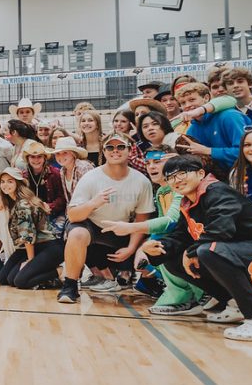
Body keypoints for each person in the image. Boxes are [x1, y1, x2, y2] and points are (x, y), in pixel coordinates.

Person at [143, 156, 252, 341]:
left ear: (201, 173)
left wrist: (191, 252)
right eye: (170, 177)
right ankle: (234, 305)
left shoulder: (217, 192)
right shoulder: (189, 202)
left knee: (208, 250)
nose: (177, 180)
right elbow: (181, 235)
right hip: (244, 255)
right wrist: (157, 247)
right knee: (171, 256)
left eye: (182, 173)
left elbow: (221, 230)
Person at [101, 147, 206, 314]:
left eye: (157, 162)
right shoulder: (161, 190)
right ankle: (184, 294)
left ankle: (195, 295)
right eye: (148, 163)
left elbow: (171, 221)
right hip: (180, 238)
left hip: (196, 241)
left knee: (163, 250)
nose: (151, 167)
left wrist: (132, 228)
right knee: (153, 252)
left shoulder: (178, 189)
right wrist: (147, 244)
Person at [57, 133, 154, 303]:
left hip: (121, 230)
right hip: (93, 227)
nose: (115, 151)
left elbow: (141, 220)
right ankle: (70, 286)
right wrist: (93, 203)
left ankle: (154, 283)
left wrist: (131, 248)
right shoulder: (91, 178)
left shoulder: (141, 181)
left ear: (130, 150)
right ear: (104, 151)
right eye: (110, 147)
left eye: (120, 147)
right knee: (76, 233)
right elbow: (72, 215)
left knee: (150, 244)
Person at [0, 168, 64, 289]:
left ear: (18, 183)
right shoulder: (11, 201)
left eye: (10, 181)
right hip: (33, 247)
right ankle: (45, 278)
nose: (5, 185)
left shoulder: (22, 204)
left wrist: (29, 261)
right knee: (5, 278)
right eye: (3, 182)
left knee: (20, 281)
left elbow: (28, 236)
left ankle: (60, 271)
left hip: (49, 246)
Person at [175, 82, 248, 174]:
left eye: (192, 99)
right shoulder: (191, 130)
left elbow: (246, 151)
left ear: (206, 98)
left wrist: (208, 151)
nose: (187, 105)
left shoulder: (230, 116)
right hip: (217, 179)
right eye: (183, 103)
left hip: (246, 175)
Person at [22, 141, 66, 236]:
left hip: (53, 213)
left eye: (39, 156)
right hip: (32, 213)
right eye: (32, 157)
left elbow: (62, 198)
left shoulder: (55, 173)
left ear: (45, 158)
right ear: (28, 158)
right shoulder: (24, 176)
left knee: (54, 235)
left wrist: (50, 206)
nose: (36, 160)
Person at [52, 136, 94, 205]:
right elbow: (69, 200)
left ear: (73, 154)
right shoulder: (62, 171)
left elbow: (91, 196)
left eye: (65, 152)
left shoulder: (83, 167)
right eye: (58, 153)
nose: (61, 156)